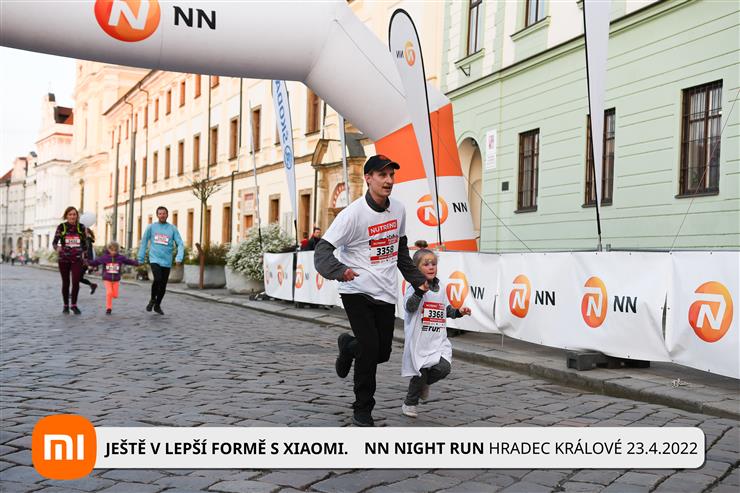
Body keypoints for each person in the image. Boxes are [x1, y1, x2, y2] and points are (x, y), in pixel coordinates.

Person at [315, 154, 426, 427]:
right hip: (356, 289)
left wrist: (417, 279)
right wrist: (340, 270)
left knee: (382, 352)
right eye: (382, 175)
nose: (388, 180)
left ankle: (347, 346)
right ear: (368, 178)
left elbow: (400, 251)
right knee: (369, 348)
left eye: (391, 175)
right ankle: (362, 408)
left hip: (385, 291)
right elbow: (322, 252)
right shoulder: (352, 215)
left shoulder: (398, 209)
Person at [400, 248, 471, 418]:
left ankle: (423, 384)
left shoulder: (441, 288)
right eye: (426, 264)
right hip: (419, 340)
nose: (431, 267)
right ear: (416, 268)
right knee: (421, 372)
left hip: (437, 338)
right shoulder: (413, 288)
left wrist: (458, 312)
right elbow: (409, 307)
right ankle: (410, 403)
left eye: (434, 264)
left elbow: (444, 309)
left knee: (444, 368)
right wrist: (420, 292)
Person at [137, 206, 184, 315]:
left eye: (164, 213)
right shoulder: (151, 227)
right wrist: (140, 257)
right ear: (157, 215)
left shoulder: (172, 228)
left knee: (163, 285)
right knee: (157, 279)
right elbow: (144, 242)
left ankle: (157, 305)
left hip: (167, 261)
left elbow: (180, 243)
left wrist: (179, 257)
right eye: (160, 213)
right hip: (155, 258)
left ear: (167, 215)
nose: (162, 215)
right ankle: (152, 299)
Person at [52, 206, 88, 314]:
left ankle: (74, 305)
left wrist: (86, 259)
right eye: (70, 214)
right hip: (64, 259)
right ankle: (65, 305)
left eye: (74, 214)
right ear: (66, 216)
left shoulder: (81, 227)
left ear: (77, 216)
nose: (72, 216)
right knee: (66, 282)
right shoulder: (61, 227)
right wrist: (57, 247)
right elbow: (54, 242)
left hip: (77, 259)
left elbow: (85, 245)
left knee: (76, 281)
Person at [88, 241, 139, 314]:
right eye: (112, 250)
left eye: (115, 250)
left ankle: (112, 299)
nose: (113, 252)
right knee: (109, 293)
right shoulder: (104, 257)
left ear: (117, 250)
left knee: (115, 295)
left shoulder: (120, 258)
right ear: (108, 249)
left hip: (116, 279)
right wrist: (88, 262)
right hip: (107, 278)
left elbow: (128, 261)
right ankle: (109, 308)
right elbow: (96, 262)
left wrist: (136, 263)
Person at [78, 227, 98, 295]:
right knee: (79, 278)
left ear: (87, 233)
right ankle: (92, 285)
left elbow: (90, 252)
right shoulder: (83, 240)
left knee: (77, 278)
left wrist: (90, 264)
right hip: (80, 261)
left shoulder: (87, 240)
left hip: (84, 263)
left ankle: (74, 292)